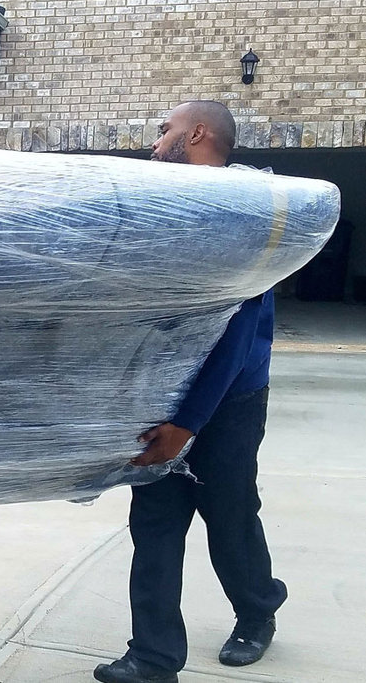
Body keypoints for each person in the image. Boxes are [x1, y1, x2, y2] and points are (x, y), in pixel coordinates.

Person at [94, 101, 288, 683]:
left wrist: (188, 424)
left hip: (228, 400)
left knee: (228, 514)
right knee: (154, 521)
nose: (155, 144)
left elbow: (236, 334)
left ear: (198, 133)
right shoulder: (167, 211)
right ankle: (153, 658)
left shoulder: (244, 215)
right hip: (162, 394)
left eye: (165, 131)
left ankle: (258, 609)